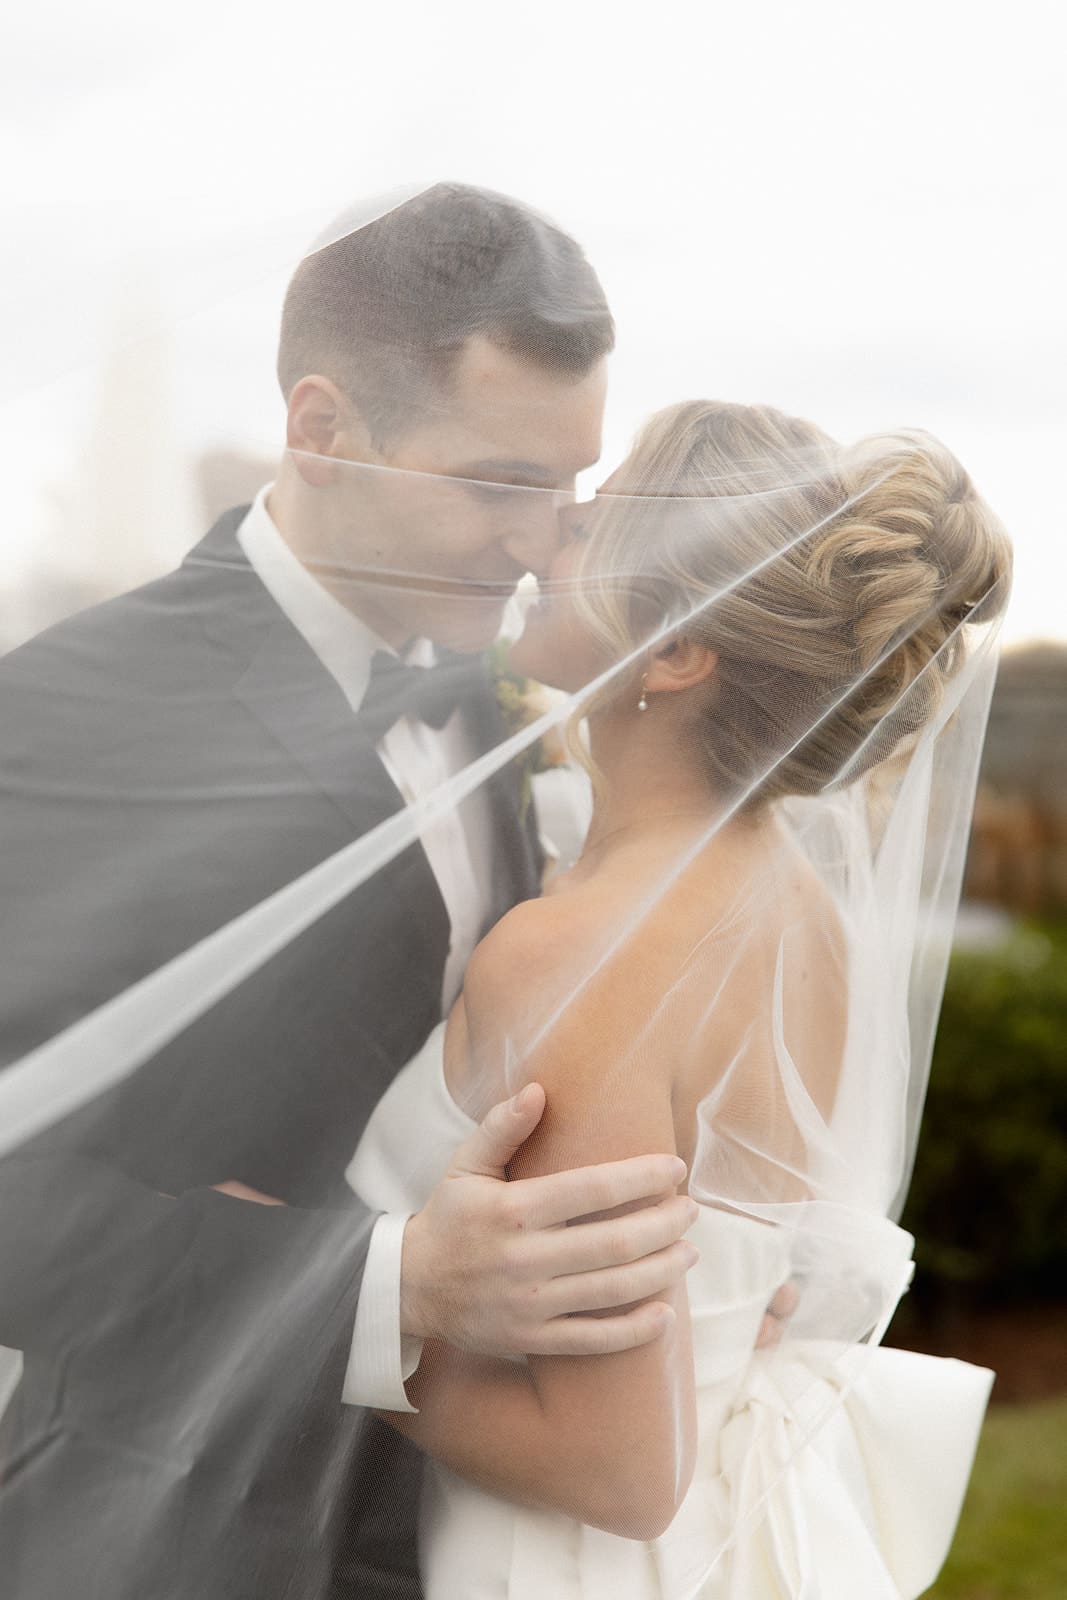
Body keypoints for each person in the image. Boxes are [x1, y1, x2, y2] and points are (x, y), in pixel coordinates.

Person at [0, 186, 701, 1599]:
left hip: (449, 1521)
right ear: (319, 430)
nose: (539, 546)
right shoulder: (64, 712)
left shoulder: (492, 700)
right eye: (497, 484)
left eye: (565, 490)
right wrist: (392, 1285)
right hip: (158, 1535)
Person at [346, 400, 1011, 1597]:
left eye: (599, 520)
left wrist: (319, 1342)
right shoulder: (790, 898)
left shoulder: (581, 955)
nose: (554, 531)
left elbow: (617, 1470)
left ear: (671, 653)